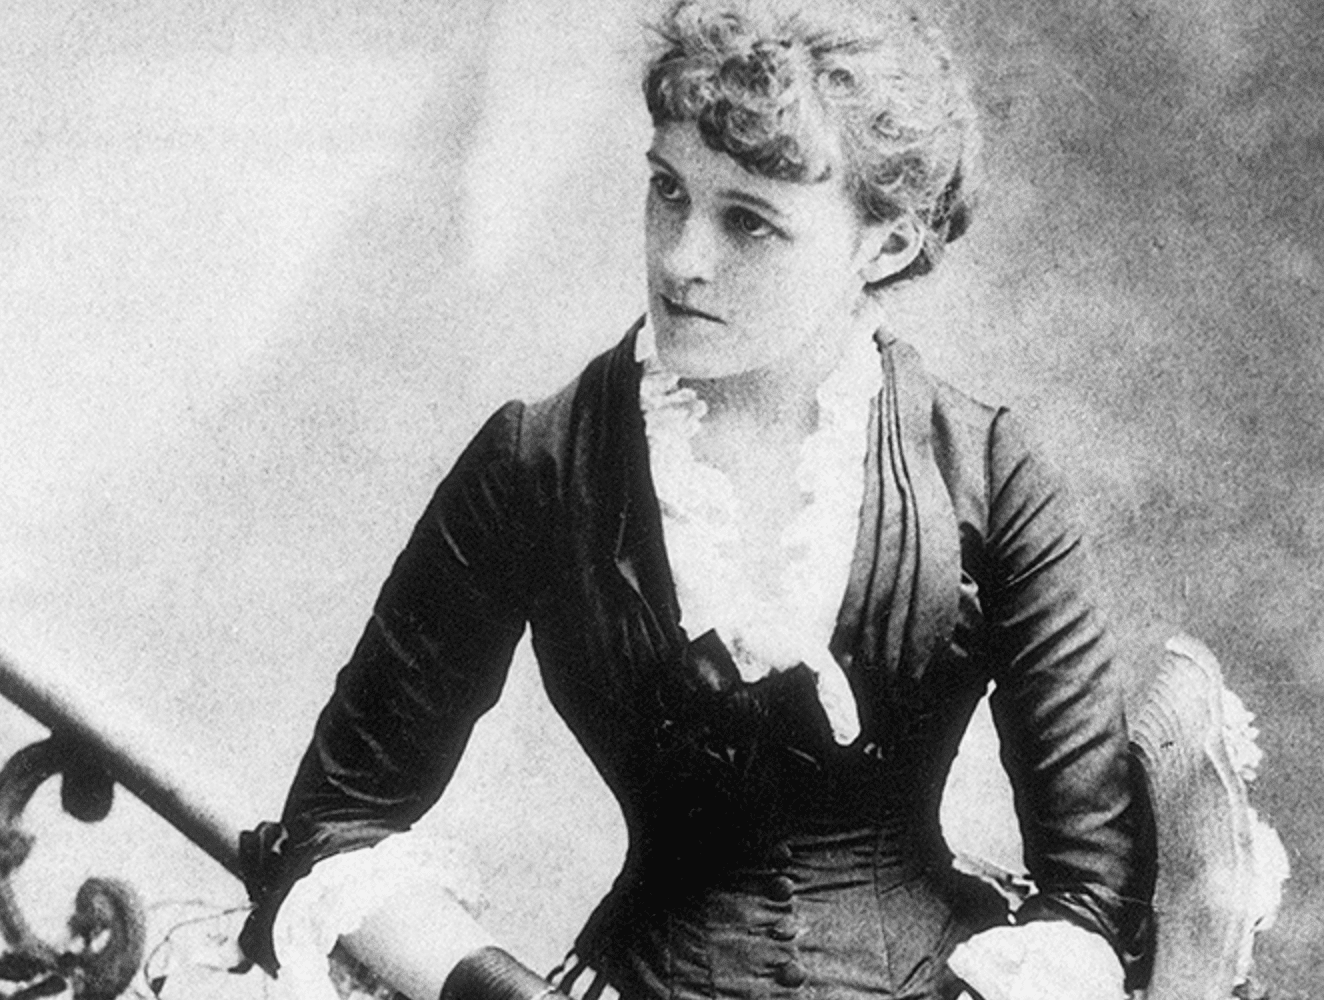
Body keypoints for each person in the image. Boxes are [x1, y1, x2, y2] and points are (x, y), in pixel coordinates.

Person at [238, 1, 1155, 997]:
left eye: (749, 221)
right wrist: (498, 990)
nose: (681, 259)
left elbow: (1094, 886)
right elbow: (336, 823)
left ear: (884, 245)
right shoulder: (536, 463)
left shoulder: (986, 471)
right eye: (668, 190)